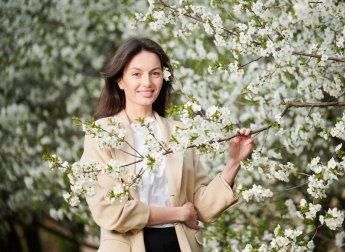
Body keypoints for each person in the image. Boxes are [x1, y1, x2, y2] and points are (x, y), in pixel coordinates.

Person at [80, 38, 254, 252]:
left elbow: (201, 208)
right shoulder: (101, 133)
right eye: (136, 74)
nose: (147, 82)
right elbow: (111, 212)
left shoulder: (180, 133)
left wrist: (233, 163)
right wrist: (179, 214)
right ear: (120, 80)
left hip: (180, 245)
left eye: (155, 73)